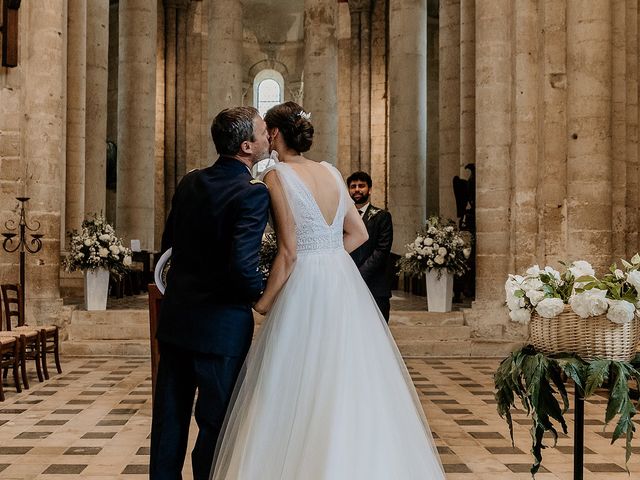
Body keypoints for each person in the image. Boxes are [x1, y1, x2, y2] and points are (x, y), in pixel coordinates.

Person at [210, 102, 444, 479]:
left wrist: (264, 303)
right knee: (349, 374)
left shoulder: (275, 175)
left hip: (304, 280)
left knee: (295, 379)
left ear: (273, 135)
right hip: (340, 279)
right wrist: (327, 254)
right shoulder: (332, 172)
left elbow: (287, 253)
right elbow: (359, 234)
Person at [149, 107, 271, 480]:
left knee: (169, 421)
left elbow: (169, 247)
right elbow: (241, 265)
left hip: (177, 321)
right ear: (247, 146)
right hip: (221, 328)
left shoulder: (190, 182)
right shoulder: (253, 193)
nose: (270, 137)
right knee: (215, 424)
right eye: (264, 133)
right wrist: (261, 297)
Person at [347, 171, 394, 322]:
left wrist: (359, 274)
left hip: (375, 285)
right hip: (348, 284)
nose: (357, 190)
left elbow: (382, 250)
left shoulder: (382, 216)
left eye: (361, 186)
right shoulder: (342, 218)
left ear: (370, 189)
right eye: (353, 186)